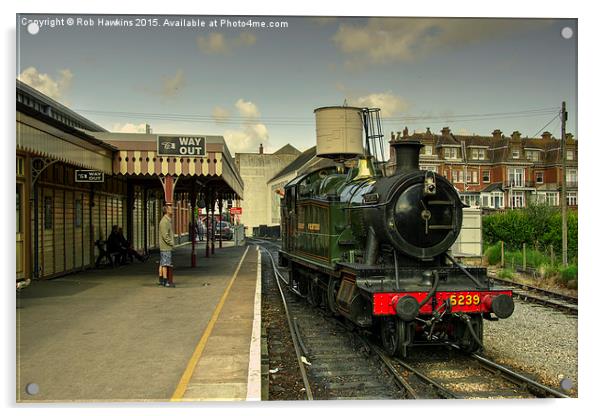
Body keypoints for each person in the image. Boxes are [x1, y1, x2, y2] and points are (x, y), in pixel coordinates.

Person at [159, 204, 175, 287]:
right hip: (166, 246)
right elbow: (165, 235)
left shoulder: (167, 220)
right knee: (166, 264)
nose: (172, 209)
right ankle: (165, 281)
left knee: (162, 263)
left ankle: (161, 279)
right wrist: (171, 243)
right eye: (170, 209)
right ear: (166, 211)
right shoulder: (164, 222)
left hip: (165, 246)